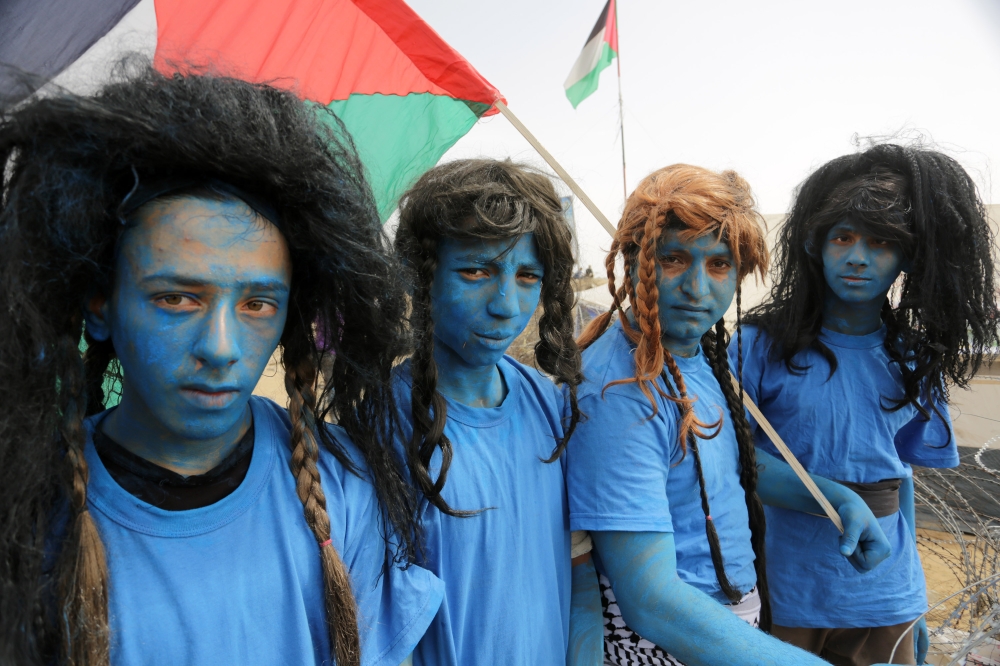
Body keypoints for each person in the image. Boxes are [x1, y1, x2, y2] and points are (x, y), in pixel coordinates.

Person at [0, 64, 442, 666]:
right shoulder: (25, 512)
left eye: (258, 304)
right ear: (99, 306)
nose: (221, 346)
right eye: (176, 298)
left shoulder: (343, 493)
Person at [567, 164, 898, 666]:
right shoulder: (619, 390)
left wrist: (836, 499)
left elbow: (730, 464)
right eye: (674, 258)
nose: (698, 288)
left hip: (723, 624)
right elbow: (650, 601)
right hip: (670, 639)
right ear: (633, 259)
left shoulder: (698, 356)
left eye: (720, 264)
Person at [738, 144, 1000, 665]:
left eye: (881, 242)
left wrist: (915, 600)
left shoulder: (913, 359)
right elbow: (730, 455)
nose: (858, 256)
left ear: (908, 258)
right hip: (788, 587)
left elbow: (898, 478)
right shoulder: (760, 344)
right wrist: (832, 496)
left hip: (887, 596)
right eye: (843, 236)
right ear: (815, 243)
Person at [392, 159, 602, 665]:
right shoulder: (380, 425)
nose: (506, 304)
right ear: (421, 276)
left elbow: (579, 581)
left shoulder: (552, 406)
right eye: (475, 270)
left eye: (528, 275)